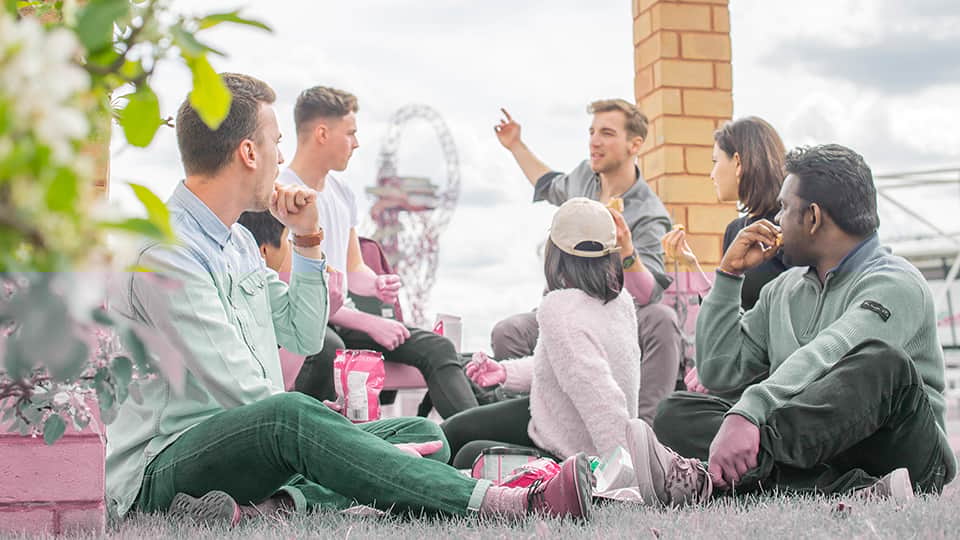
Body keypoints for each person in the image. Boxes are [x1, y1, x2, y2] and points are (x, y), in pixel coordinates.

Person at [105, 72, 593, 524]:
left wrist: (308, 240)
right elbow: (245, 394)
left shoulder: (236, 244)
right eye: (277, 143)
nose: (281, 157)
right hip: (165, 464)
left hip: (253, 447)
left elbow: (302, 332)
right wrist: (347, 448)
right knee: (291, 416)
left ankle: (268, 508)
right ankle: (502, 502)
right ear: (250, 153)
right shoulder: (164, 253)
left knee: (424, 437)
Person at [627, 144, 955, 506]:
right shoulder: (781, 290)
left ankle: (726, 477)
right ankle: (849, 489)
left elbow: (831, 352)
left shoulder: (897, 283)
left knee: (882, 363)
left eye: (784, 208)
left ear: (812, 217)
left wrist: (748, 412)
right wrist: (729, 274)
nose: (775, 219)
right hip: (819, 452)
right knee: (676, 414)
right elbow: (720, 371)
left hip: (905, 458)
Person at [277, 86, 478, 419]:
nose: (356, 143)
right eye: (351, 133)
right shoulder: (283, 192)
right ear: (323, 134)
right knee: (330, 349)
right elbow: (297, 295)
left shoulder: (342, 192)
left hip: (345, 316)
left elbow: (353, 267)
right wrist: (371, 323)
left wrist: (375, 285)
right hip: (308, 322)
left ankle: (474, 446)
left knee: (438, 347)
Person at [491, 101, 681, 422]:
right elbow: (547, 183)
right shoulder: (583, 178)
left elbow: (648, 295)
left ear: (635, 144)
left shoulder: (649, 214)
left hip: (616, 319)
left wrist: (627, 250)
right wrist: (516, 145)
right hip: (565, 312)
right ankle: (548, 423)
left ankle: (643, 433)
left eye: (606, 133)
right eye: (592, 132)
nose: (594, 141)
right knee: (507, 332)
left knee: (661, 320)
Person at [441, 198, 641, 468]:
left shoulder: (560, 310)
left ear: (554, 254)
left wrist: (621, 471)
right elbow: (568, 365)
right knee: (453, 431)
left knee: (468, 456)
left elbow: (602, 399)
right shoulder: (621, 301)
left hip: (574, 453)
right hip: (554, 420)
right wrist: (505, 373)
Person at [660, 116, 790, 392]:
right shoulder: (737, 231)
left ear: (739, 163)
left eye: (715, 161)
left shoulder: (787, 228)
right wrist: (690, 265)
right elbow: (728, 307)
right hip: (741, 367)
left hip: (774, 372)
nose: (711, 174)